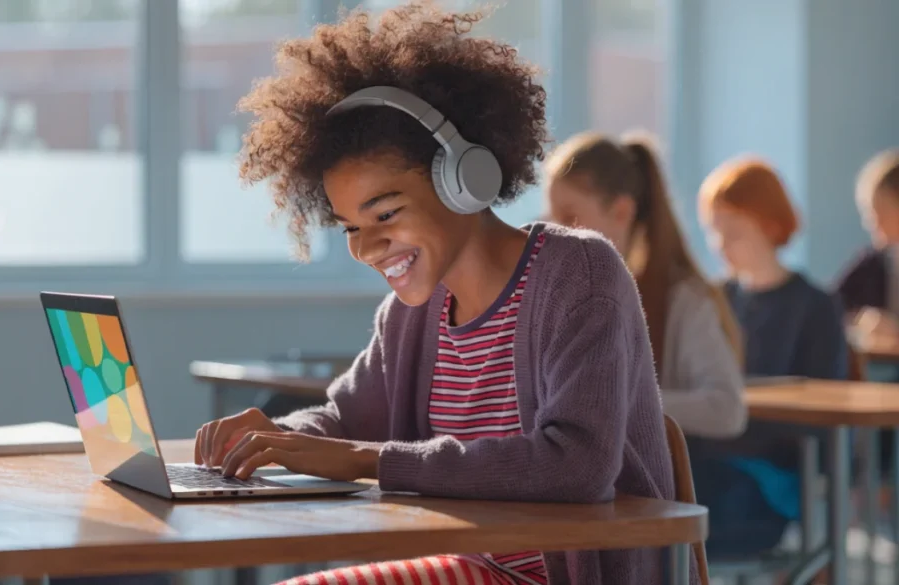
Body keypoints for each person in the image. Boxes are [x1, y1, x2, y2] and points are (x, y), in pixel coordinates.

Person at [193, 3, 692, 584]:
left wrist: (368, 461)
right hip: (472, 568)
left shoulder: (578, 275)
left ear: (465, 179)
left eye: (386, 213)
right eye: (351, 226)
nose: (366, 247)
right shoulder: (411, 316)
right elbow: (345, 419)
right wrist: (278, 438)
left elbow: (577, 464)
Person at [542, 131, 747, 440]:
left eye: (569, 217)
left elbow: (727, 408)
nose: (555, 232)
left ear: (622, 212)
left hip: (671, 480)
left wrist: (616, 401)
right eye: (551, 218)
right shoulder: (564, 299)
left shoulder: (684, 299)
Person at [696, 157, 848, 558]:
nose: (721, 245)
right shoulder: (714, 300)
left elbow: (824, 411)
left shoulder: (815, 306)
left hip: (769, 476)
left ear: (770, 226)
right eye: (715, 231)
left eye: (734, 232)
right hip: (710, 457)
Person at [836, 149, 899, 338]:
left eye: (882, 210)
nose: (874, 222)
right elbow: (828, 310)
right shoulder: (872, 263)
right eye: (870, 213)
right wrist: (860, 320)